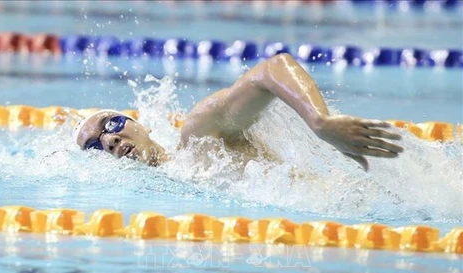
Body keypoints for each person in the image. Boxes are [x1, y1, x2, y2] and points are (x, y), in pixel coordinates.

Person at [73, 53, 403, 171]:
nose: (111, 140)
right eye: (95, 145)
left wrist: (321, 122)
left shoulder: (199, 137)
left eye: (111, 124)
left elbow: (272, 69)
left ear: (140, 124)